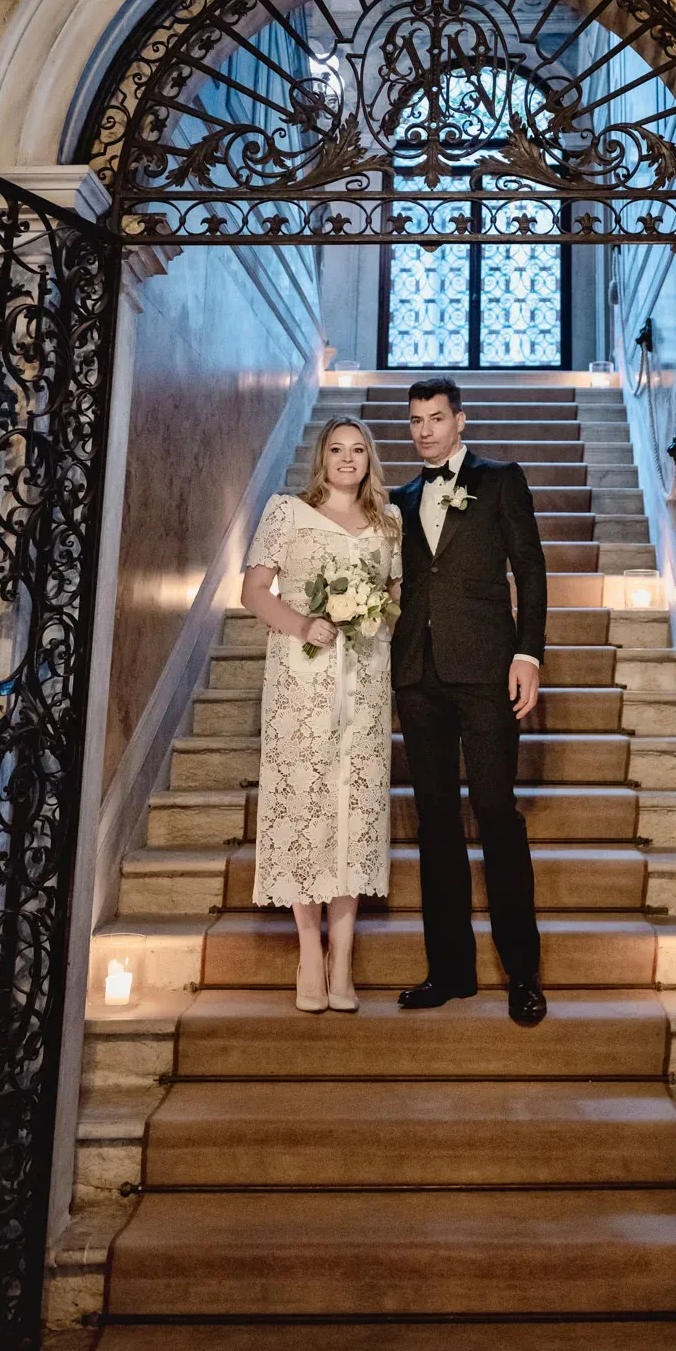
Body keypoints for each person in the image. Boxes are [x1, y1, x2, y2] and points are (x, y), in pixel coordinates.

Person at [390, 376, 549, 1028]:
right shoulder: (397, 499)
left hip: (487, 671)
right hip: (418, 677)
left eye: (436, 417)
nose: (425, 429)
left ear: (461, 421)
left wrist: (528, 654)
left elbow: (531, 570)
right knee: (435, 823)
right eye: (415, 421)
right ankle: (451, 970)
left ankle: (522, 973)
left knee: (494, 812)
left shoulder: (501, 480)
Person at [240, 419, 400, 1013]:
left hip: (364, 682)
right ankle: (309, 949)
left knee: (355, 809)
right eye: (337, 449)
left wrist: (372, 613)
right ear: (321, 457)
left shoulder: (390, 524)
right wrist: (304, 622)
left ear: (370, 460)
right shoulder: (285, 513)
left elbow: (395, 597)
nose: (347, 459)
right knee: (305, 801)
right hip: (300, 679)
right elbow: (254, 592)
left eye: (359, 451)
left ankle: (344, 958)